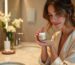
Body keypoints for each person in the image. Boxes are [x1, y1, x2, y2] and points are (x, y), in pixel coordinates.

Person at [35, 0, 75, 65]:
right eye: (50, 15)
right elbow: (47, 63)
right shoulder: (56, 35)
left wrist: (51, 46)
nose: (53, 20)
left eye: (58, 14)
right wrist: (43, 44)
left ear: (68, 12)